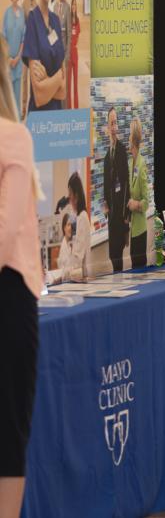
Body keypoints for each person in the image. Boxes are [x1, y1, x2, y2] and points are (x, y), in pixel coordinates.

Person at [0, 36, 42, 518]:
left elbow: (7, 228)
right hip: (11, 301)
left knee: (7, 429)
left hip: (10, 297)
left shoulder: (13, 138)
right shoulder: (14, 138)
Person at [22, 0, 65, 111]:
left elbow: (63, 92)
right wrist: (57, 79)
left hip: (57, 118)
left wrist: (47, 80)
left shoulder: (55, 20)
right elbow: (39, 96)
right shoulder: (33, 20)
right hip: (40, 121)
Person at [103, 107, 130, 272]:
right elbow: (107, 185)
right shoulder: (107, 156)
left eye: (115, 123)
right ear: (107, 127)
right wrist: (105, 205)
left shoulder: (121, 151)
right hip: (111, 215)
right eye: (111, 123)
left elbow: (126, 183)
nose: (113, 127)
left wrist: (127, 216)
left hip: (121, 213)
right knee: (112, 254)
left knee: (118, 253)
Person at [127, 116, 149, 268]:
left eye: (129, 136)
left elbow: (146, 202)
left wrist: (136, 205)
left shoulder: (141, 166)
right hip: (132, 227)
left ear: (133, 140)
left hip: (140, 229)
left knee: (139, 266)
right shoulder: (130, 164)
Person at [3, 0, 25, 113]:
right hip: (8, 62)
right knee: (7, 99)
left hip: (18, 62)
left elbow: (24, 37)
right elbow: (3, 38)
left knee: (17, 97)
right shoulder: (6, 13)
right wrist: (9, 58)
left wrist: (17, 57)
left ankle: (16, 127)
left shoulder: (22, 13)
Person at [67, 171, 90, 278]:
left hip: (81, 276)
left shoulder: (82, 217)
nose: (69, 198)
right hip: (78, 276)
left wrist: (64, 276)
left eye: (70, 194)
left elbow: (78, 257)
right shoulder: (78, 217)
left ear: (76, 196)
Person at [53, 0, 71, 107]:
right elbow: (53, 31)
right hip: (56, 54)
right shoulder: (54, 7)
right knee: (57, 85)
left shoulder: (67, 7)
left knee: (65, 85)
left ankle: (64, 111)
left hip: (64, 54)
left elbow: (69, 32)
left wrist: (67, 54)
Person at [68, 0, 80, 109]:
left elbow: (76, 37)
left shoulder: (77, 20)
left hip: (75, 54)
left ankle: (76, 107)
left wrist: (72, 41)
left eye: (75, 4)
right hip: (68, 55)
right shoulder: (68, 19)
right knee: (68, 84)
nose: (74, 6)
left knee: (75, 84)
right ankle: (68, 108)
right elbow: (68, 36)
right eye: (73, 4)